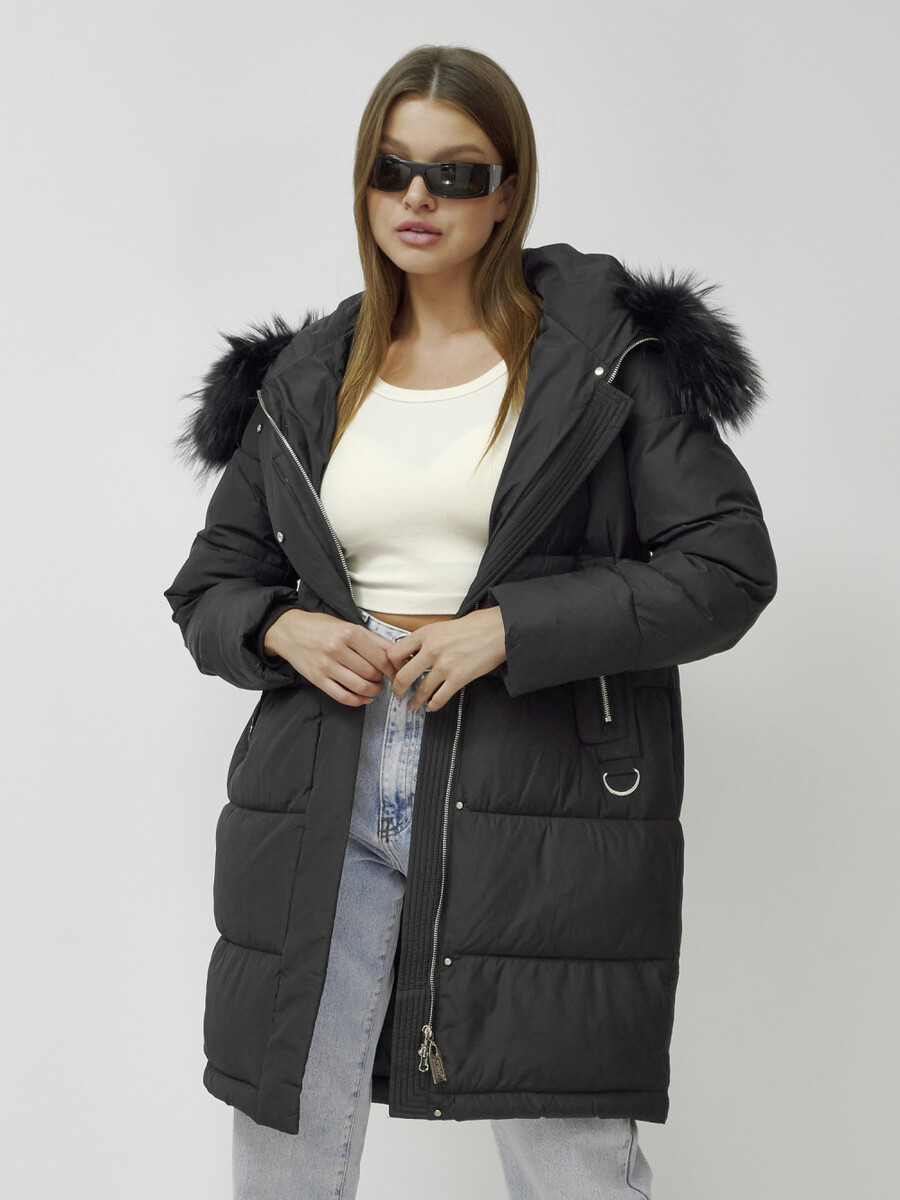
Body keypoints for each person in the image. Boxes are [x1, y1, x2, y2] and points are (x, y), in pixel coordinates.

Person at [164, 43, 777, 1200]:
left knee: (569, 1162)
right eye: (393, 168)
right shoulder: (310, 374)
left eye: (455, 173)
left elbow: (727, 569)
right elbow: (209, 586)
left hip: (539, 784)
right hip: (321, 780)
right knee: (287, 1153)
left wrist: (508, 628)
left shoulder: (605, 359)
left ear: (507, 191)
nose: (419, 197)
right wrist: (284, 630)